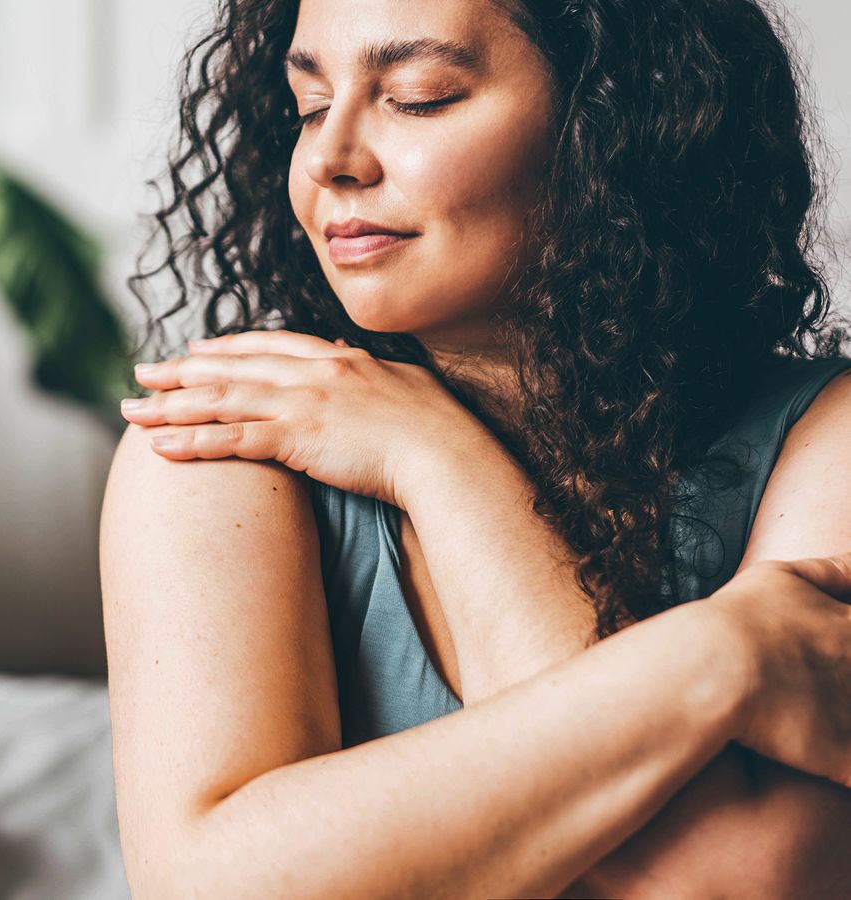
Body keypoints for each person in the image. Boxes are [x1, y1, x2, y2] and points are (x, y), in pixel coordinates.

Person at [101, 0, 851, 896]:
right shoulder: (226, 436)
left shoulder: (824, 431)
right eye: (310, 105)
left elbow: (734, 879)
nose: (331, 159)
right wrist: (721, 658)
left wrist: (433, 456)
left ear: (614, 117)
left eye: (418, 98)